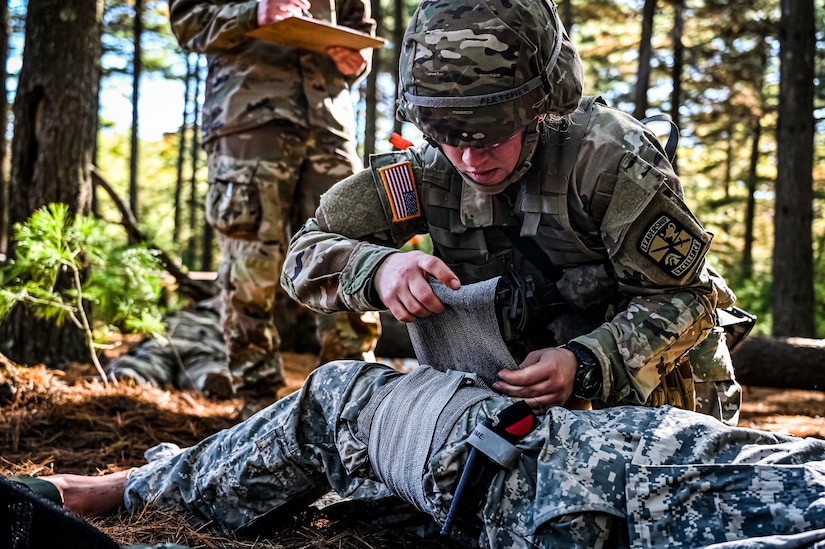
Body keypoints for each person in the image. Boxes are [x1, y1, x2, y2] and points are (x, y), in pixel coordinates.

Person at [280, 0, 742, 424]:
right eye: (451, 138)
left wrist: (586, 361)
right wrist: (379, 268)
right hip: (511, 398)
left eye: (493, 137)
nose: (470, 161)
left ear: (540, 110)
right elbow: (303, 253)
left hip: (654, 397)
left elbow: (689, 300)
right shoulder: (427, 171)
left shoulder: (608, 160)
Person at [25, 358, 825, 548]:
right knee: (343, 411)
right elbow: (322, 246)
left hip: (530, 476)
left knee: (340, 399)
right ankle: (141, 481)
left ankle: (124, 490)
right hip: (544, 441)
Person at [167, 0, 381, 402]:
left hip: (328, 121)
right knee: (251, 261)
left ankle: (357, 398)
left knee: (350, 246)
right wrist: (254, 13)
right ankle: (256, 401)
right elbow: (186, 20)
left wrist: (357, 60)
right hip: (249, 118)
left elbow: (359, 27)